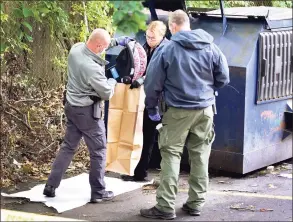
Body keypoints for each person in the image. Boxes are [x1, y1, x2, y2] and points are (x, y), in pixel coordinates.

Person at [140, 10, 229, 220]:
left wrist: (151, 108)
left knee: (171, 155)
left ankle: (165, 207)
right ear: (188, 24)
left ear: (171, 27)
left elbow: (152, 84)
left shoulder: (167, 51)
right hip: (206, 110)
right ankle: (195, 203)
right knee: (200, 155)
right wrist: (207, 90)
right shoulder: (211, 47)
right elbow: (223, 78)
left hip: (178, 111)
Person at [43, 28, 131, 203]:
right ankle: (98, 192)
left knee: (68, 147)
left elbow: (97, 45)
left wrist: (115, 42)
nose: (104, 50)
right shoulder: (91, 67)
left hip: (71, 106)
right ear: (98, 45)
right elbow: (106, 93)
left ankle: (50, 185)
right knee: (98, 150)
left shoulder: (76, 49)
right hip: (87, 113)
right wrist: (114, 80)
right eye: (104, 47)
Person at [121, 21, 169, 182]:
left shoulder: (167, 50)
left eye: (153, 38)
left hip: (158, 100)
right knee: (138, 133)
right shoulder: (145, 47)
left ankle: (141, 171)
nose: (149, 40)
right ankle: (136, 168)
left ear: (162, 37)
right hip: (142, 97)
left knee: (149, 135)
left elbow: (158, 75)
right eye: (147, 36)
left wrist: (143, 80)